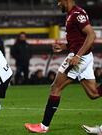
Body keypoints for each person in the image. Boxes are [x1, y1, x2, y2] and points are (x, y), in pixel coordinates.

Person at [24, 0, 102, 133]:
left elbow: (91, 35)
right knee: (93, 93)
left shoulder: (77, 14)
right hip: (83, 56)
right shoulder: (72, 14)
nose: (58, 4)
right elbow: (79, 39)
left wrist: (77, 56)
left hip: (79, 58)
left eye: (59, 1)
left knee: (55, 88)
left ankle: (44, 126)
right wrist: (64, 46)